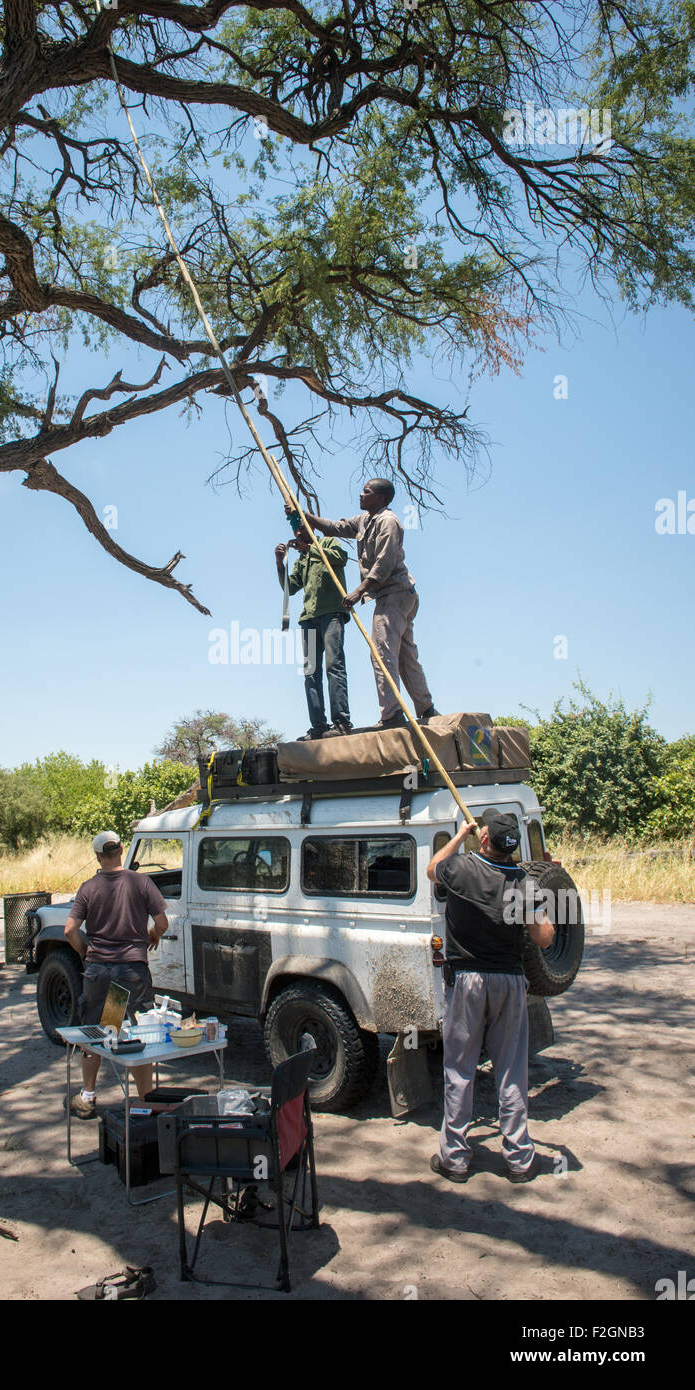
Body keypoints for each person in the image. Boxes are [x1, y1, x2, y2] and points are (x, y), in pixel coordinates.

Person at [426, 809, 555, 1183]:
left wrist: (458, 836)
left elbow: (433, 868)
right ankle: (518, 1159)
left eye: (482, 829)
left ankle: (454, 1159)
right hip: (509, 983)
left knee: (460, 1070)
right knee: (511, 1069)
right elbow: (543, 938)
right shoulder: (522, 883)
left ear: (484, 840)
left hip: (466, 980)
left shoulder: (461, 869)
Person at [294, 479, 438, 728]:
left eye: (367, 492)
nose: (361, 495)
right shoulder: (364, 520)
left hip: (395, 593)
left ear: (381, 498)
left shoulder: (387, 521)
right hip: (391, 595)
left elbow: (385, 562)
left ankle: (391, 714)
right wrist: (302, 514)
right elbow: (335, 527)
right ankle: (427, 708)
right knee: (405, 656)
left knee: (382, 654)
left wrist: (358, 591)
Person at [63, 831, 169, 1119]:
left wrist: (87, 952)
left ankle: (87, 1097)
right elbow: (162, 922)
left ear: (97, 856)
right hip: (131, 972)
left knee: (96, 1033)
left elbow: (70, 930)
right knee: (136, 1034)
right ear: (122, 850)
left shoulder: (88, 888)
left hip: (99, 972)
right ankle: (146, 1100)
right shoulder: (142, 882)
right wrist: (151, 934)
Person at [276, 530, 353, 740]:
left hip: (331, 613)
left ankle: (341, 722)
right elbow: (289, 588)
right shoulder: (302, 559)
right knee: (310, 673)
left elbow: (340, 559)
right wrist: (280, 563)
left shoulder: (328, 542)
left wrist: (311, 549)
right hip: (308, 618)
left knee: (333, 665)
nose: (297, 534)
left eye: (301, 529)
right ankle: (318, 726)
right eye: (295, 531)